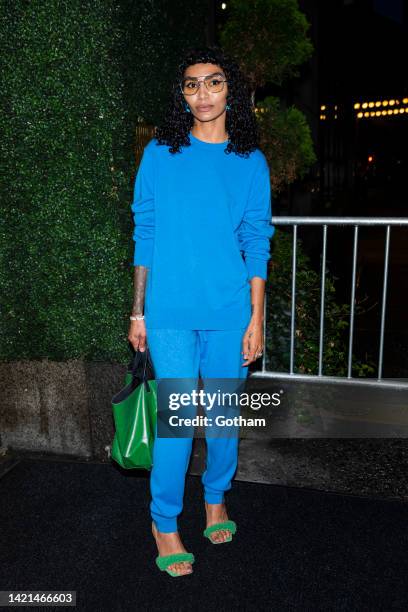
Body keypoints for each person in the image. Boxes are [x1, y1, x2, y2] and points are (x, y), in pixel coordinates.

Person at [127, 45, 275, 577]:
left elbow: (257, 241)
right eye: (192, 85)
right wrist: (138, 312)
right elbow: (144, 234)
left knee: (222, 418)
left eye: (213, 82)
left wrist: (255, 319)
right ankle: (164, 521)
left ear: (230, 90)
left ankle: (215, 498)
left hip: (230, 310)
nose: (203, 93)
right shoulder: (159, 156)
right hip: (168, 311)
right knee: (177, 420)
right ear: (182, 96)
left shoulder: (249, 162)